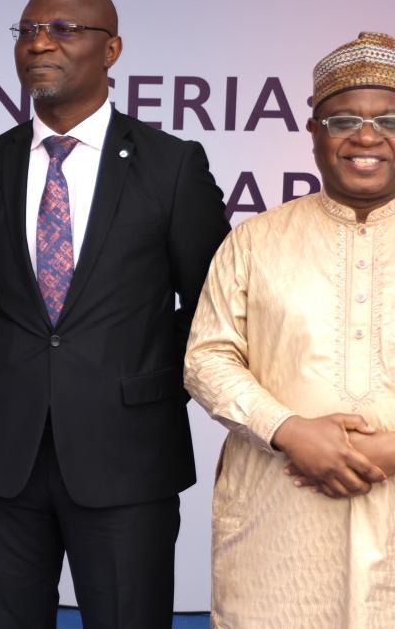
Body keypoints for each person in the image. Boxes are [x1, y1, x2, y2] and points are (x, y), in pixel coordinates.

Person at [0, 0, 230, 628]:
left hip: (129, 454)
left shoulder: (171, 166)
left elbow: (214, 305)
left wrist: (142, 382)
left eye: (64, 29)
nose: (40, 41)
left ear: (113, 49)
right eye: (27, 30)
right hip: (2, 458)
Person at [185, 31, 395, 629]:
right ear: (313, 131)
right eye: (343, 119)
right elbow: (206, 358)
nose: (367, 136)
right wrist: (289, 430)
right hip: (280, 518)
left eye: (390, 119)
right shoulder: (255, 240)